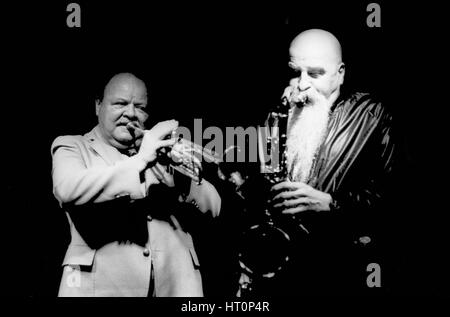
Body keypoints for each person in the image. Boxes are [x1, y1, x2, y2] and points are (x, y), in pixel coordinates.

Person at [237, 29, 397, 296]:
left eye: (314, 74)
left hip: (338, 271)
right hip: (278, 272)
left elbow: (395, 200)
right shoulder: (276, 115)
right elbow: (264, 183)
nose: (301, 84)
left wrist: (331, 204)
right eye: (295, 71)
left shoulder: (373, 115)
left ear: (341, 73)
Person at [51, 72, 221, 297]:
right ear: (98, 105)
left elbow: (215, 209)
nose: (130, 114)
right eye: (120, 104)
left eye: (140, 107)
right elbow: (67, 190)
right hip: (100, 287)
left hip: (177, 286)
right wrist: (141, 161)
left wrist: (182, 182)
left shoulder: (163, 150)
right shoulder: (72, 145)